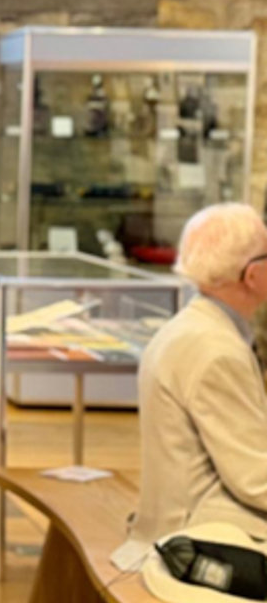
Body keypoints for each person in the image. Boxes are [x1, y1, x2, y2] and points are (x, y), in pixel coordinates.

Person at [114, 203, 267, 568]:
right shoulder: (217, 351)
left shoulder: (193, 326)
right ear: (252, 274)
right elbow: (254, 479)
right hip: (197, 535)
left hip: (182, 514)